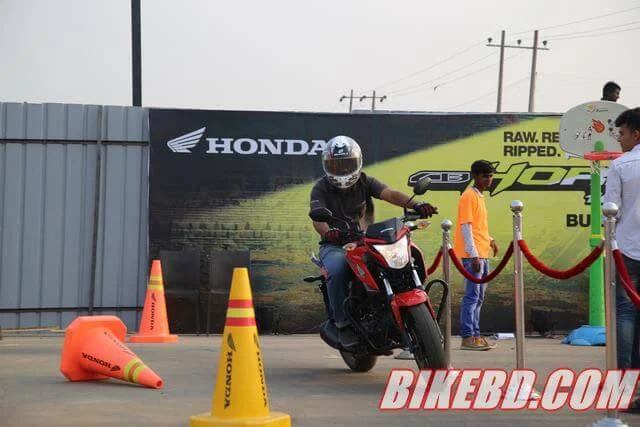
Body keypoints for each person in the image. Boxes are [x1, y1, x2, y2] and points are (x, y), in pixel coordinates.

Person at [309, 135, 438, 349]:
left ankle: (406, 307)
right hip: (336, 244)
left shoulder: (365, 181)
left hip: (365, 239)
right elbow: (317, 216)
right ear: (327, 165)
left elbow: (390, 193)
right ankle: (343, 324)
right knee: (337, 269)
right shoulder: (321, 187)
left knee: (408, 255)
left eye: (347, 164)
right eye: (336, 165)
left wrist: (416, 204)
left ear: (357, 162)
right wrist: (328, 233)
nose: (342, 170)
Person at [602, 107, 640, 409]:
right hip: (627, 250)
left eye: (623, 133)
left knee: (626, 316)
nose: (620, 139)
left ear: (636, 134)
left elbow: (609, 210)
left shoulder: (621, 165)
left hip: (627, 250)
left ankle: (625, 387)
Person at [453, 160, 499, 351]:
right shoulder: (468, 196)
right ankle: (467, 337)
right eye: (485, 176)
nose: (489, 179)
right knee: (472, 296)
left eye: (491, 176)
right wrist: (473, 255)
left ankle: (476, 336)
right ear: (475, 176)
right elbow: (466, 227)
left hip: (482, 252)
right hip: (473, 255)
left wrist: (490, 240)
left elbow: (478, 227)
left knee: (479, 298)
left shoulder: (479, 196)